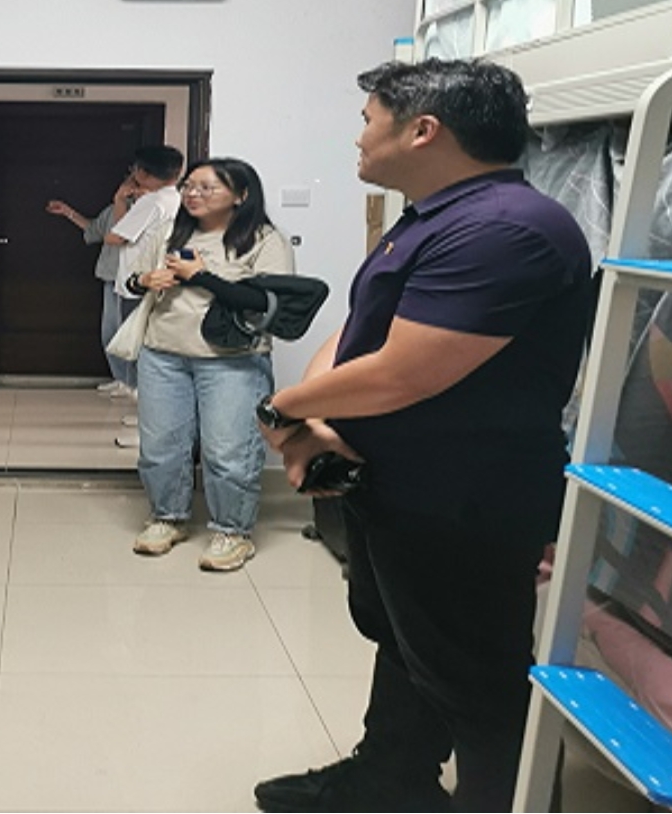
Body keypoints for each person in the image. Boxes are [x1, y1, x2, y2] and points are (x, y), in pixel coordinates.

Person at [252, 58, 593, 812]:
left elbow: (405, 373)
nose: (358, 137)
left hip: (464, 499)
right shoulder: (435, 217)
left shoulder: (505, 229)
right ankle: (390, 779)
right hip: (400, 484)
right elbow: (359, 332)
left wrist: (282, 409)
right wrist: (313, 417)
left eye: (368, 120)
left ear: (422, 130)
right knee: (406, 646)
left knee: (477, 682)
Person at [125, 157, 294, 571]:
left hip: (232, 360)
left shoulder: (264, 239)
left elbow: (267, 301)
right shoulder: (169, 231)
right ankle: (167, 518)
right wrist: (144, 281)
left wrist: (201, 275)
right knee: (160, 447)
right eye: (188, 186)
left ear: (240, 195)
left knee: (228, 450)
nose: (192, 194)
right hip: (163, 353)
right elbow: (132, 280)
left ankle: (233, 532)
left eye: (207, 187)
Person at [107, 145, 185, 446]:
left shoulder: (151, 202)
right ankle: (147, 418)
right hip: (160, 282)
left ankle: (150, 425)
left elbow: (114, 236)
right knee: (152, 355)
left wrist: (119, 201)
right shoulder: (175, 198)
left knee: (142, 356)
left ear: (143, 172)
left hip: (139, 282)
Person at [43, 198, 127, 392]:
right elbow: (94, 230)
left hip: (135, 281)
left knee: (128, 334)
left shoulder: (147, 208)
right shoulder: (112, 210)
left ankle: (133, 382)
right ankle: (122, 378)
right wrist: (68, 212)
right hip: (111, 277)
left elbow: (120, 237)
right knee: (110, 333)